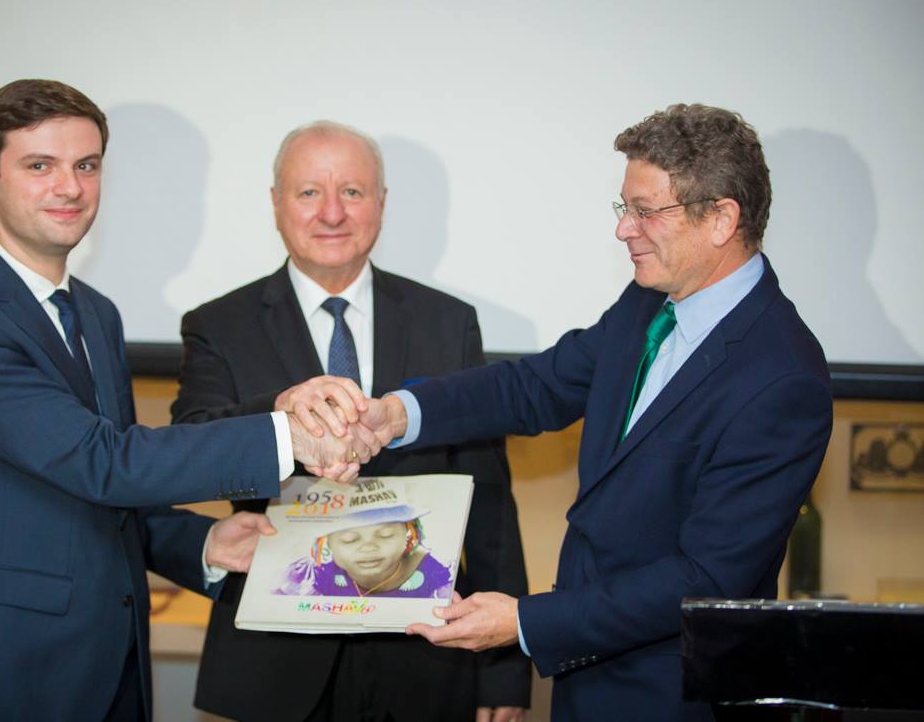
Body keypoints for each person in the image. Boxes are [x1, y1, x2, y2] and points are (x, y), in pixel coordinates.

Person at [0, 80, 376, 722]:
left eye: (86, 165)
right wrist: (289, 434)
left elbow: (105, 498)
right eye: (39, 166)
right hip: (5, 667)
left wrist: (205, 543)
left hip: (112, 660)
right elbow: (102, 461)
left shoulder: (96, 314)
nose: (69, 187)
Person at [359, 104, 835, 721]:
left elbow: (706, 577)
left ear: (721, 219)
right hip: (586, 679)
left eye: (645, 211)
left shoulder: (783, 377)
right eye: (623, 207)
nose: (623, 230)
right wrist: (398, 414)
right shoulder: (648, 302)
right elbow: (536, 387)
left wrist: (527, 621)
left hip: (672, 697)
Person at [174, 120, 530, 721]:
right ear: (276, 203)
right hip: (274, 662)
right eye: (309, 192)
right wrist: (283, 415)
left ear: (381, 203)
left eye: (353, 192)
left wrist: (503, 669)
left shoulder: (447, 322)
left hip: (424, 652)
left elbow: (488, 495)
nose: (332, 213)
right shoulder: (218, 324)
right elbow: (192, 447)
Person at [277, 491, 452, 599]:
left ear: (409, 534)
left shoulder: (435, 577)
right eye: (349, 539)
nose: (368, 547)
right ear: (327, 542)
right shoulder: (316, 577)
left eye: (385, 535)